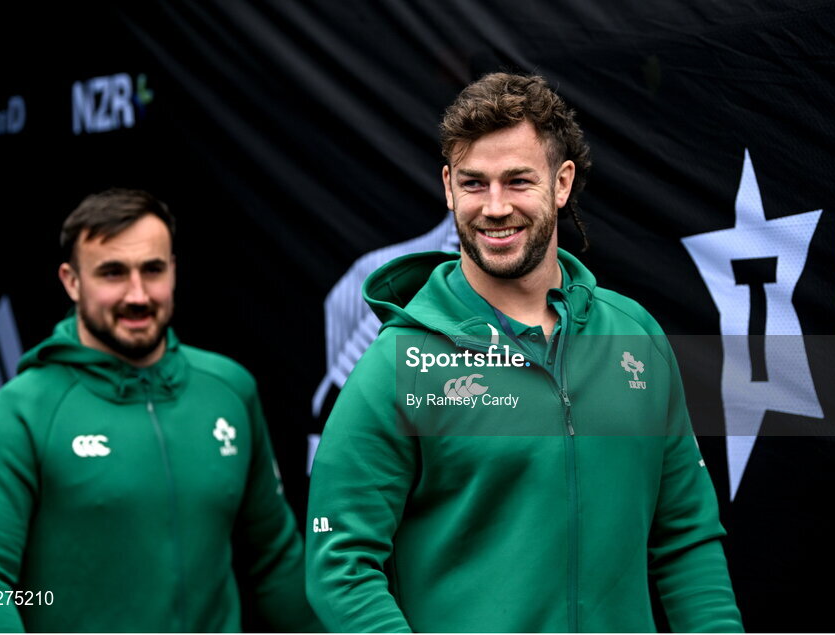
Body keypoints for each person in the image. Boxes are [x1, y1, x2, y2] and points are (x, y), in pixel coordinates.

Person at [306, 73, 744, 632]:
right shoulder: (400, 364)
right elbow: (340, 567)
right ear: (447, 187)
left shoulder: (635, 336)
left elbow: (686, 536)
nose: (494, 207)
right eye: (473, 183)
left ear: (562, 184)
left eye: (517, 181)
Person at [0, 189, 320, 632]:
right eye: (113, 273)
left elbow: (276, 561)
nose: (138, 295)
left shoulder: (228, 390)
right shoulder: (19, 413)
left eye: (153, 270)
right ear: (71, 281)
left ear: (174, 271)